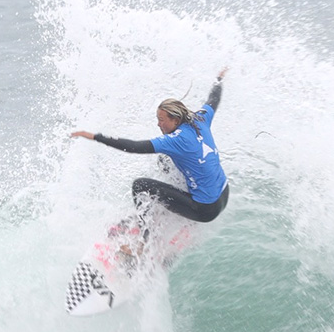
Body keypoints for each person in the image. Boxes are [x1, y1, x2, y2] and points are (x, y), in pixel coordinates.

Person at [70, 67, 230, 225]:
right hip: (223, 194)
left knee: (141, 186)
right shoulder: (200, 118)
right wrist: (218, 80)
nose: (158, 124)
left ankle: (144, 235)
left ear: (175, 120)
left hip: (204, 209)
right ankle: (167, 211)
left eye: (162, 120)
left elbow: (134, 147)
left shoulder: (174, 140)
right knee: (164, 160)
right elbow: (213, 100)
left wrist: (96, 137)